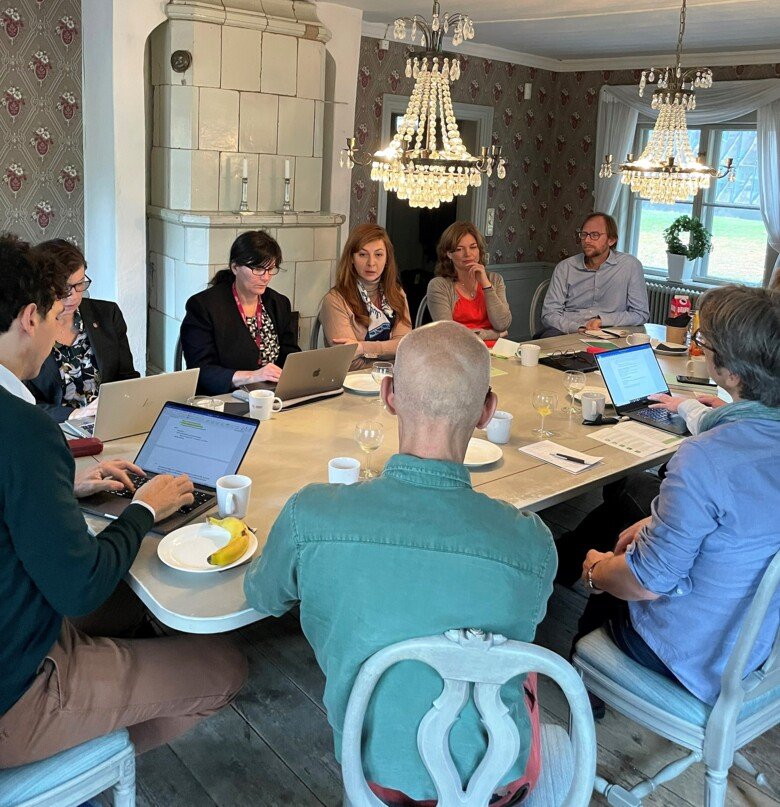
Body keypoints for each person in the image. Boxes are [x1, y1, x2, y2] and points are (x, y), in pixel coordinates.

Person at [244, 321, 556, 805]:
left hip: (369, 771)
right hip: (497, 779)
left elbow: (262, 597)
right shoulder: (531, 542)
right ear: (486, 412)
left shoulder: (312, 512)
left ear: (388, 395)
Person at [0, 233, 247, 767]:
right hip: (15, 687)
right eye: (51, 312)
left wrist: (64, 490)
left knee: (137, 603)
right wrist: (144, 509)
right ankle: (76, 766)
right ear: (28, 318)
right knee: (226, 668)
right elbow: (81, 588)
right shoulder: (25, 430)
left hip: (17, 623)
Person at [568, 284, 779, 706]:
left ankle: (580, 689)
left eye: (704, 341)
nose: (699, 348)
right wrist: (652, 524)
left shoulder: (705, 458)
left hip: (696, 654)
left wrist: (595, 570)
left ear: (732, 373)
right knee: (626, 522)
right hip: (761, 644)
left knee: (612, 583)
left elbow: (646, 584)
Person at [25, 239, 139, 423]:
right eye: (63, 289)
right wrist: (74, 415)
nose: (74, 296)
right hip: (54, 428)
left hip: (107, 422)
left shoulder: (107, 314)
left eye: (80, 284)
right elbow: (23, 404)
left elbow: (126, 378)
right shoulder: (27, 326)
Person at [180, 230, 301, 394]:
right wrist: (251, 376)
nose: (265, 277)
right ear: (235, 267)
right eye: (258, 269)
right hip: (224, 398)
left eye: (271, 269)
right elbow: (201, 370)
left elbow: (290, 354)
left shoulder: (278, 303)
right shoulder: (204, 306)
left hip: (271, 394)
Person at [319, 223, 412, 370]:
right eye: (363, 254)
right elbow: (349, 363)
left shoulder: (396, 293)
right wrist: (390, 361)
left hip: (394, 380)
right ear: (351, 258)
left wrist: (362, 348)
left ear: (387, 258)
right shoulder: (335, 300)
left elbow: (405, 346)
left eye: (379, 254)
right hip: (352, 384)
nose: (371, 263)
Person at [540, 212, 649, 337]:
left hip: (610, 332)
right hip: (568, 331)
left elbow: (640, 314)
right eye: (584, 234)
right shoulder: (565, 268)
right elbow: (549, 314)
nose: (587, 240)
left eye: (594, 235)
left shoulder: (630, 266)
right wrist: (578, 328)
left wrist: (602, 320)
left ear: (611, 240)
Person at [427, 221, 511, 347]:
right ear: (449, 254)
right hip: (459, 350)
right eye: (459, 249)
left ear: (479, 250)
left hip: (496, 351)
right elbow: (448, 333)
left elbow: (502, 324)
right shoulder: (439, 285)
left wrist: (486, 285)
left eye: (473, 247)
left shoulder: (495, 279)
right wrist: (495, 334)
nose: (468, 254)